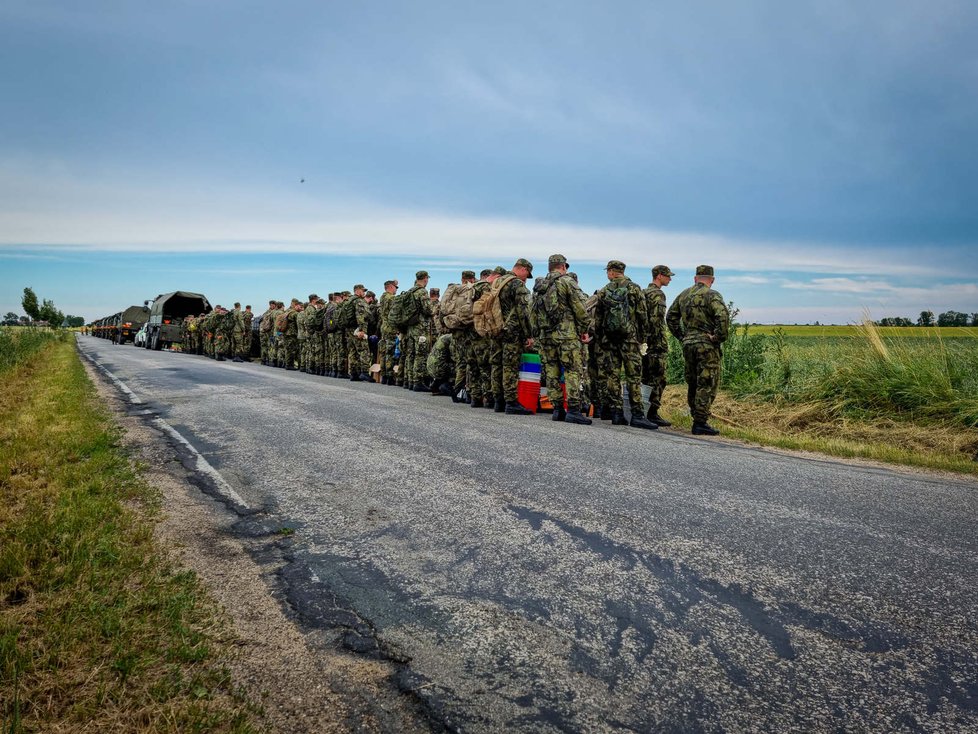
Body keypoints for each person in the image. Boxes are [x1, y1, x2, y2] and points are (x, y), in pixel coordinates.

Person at [594, 261, 659, 430]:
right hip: (630, 340)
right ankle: (637, 414)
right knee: (633, 376)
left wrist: (601, 339)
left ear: (610, 272)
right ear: (622, 271)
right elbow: (643, 315)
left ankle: (616, 413)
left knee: (612, 376)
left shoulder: (604, 291)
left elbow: (598, 318)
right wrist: (642, 339)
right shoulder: (634, 288)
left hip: (610, 341)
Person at [667, 265, 730, 436]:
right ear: (712, 280)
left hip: (689, 344)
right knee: (707, 382)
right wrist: (717, 337)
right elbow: (723, 317)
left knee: (693, 381)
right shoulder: (713, 295)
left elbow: (670, 316)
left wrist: (682, 336)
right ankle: (700, 422)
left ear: (695, 278)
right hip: (706, 344)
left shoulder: (684, 294)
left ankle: (696, 416)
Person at [532, 254, 593, 425]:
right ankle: (573, 409)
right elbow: (580, 309)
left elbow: (532, 312)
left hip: (545, 336)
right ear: (564, 266)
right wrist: (584, 330)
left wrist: (537, 333)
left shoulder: (539, 286)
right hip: (566, 335)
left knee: (551, 371)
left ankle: (557, 409)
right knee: (572, 369)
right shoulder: (567, 282)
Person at [490, 259, 534, 415]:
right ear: (522, 269)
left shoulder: (497, 281)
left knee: (497, 363)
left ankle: (498, 401)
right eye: (527, 274)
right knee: (510, 365)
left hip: (495, 329)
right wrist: (529, 334)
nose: (525, 278)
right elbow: (524, 312)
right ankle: (511, 401)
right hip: (512, 332)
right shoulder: (517, 285)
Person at [643, 265, 675, 426]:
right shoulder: (657, 294)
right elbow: (656, 320)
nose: (670, 279)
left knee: (646, 377)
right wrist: (655, 342)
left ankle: (643, 409)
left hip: (644, 343)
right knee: (658, 378)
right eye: (668, 276)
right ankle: (652, 412)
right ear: (659, 276)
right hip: (655, 344)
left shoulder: (644, 293)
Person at [403, 271, 434, 391]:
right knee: (420, 355)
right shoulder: (422, 292)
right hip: (420, 328)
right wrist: (433, 311)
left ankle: (409, 381)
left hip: (410, 327)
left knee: (410, 354)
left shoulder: (410, 291)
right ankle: (418, 382)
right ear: (425, 279)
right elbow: (427, 309)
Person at [348, 284, 372, 381]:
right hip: (358, 329)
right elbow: (360, 316)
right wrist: (362, 330)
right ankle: (365, 372)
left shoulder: (349, 301)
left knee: (353, 351)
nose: (364, 293)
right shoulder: (358, 301)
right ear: (357, 291)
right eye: (363, 291)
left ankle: (354, 373)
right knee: (363, 350)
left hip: (349, 330)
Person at [378, 280, 398, 384]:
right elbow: (395, 314)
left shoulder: (382, 297)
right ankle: (390, 376)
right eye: (396, 287)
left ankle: (383, 375)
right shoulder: (392, 298)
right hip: (391, 327)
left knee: (383, 352)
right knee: (390, 352)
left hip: (384, 326)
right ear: (390, 287)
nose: (396, 289)